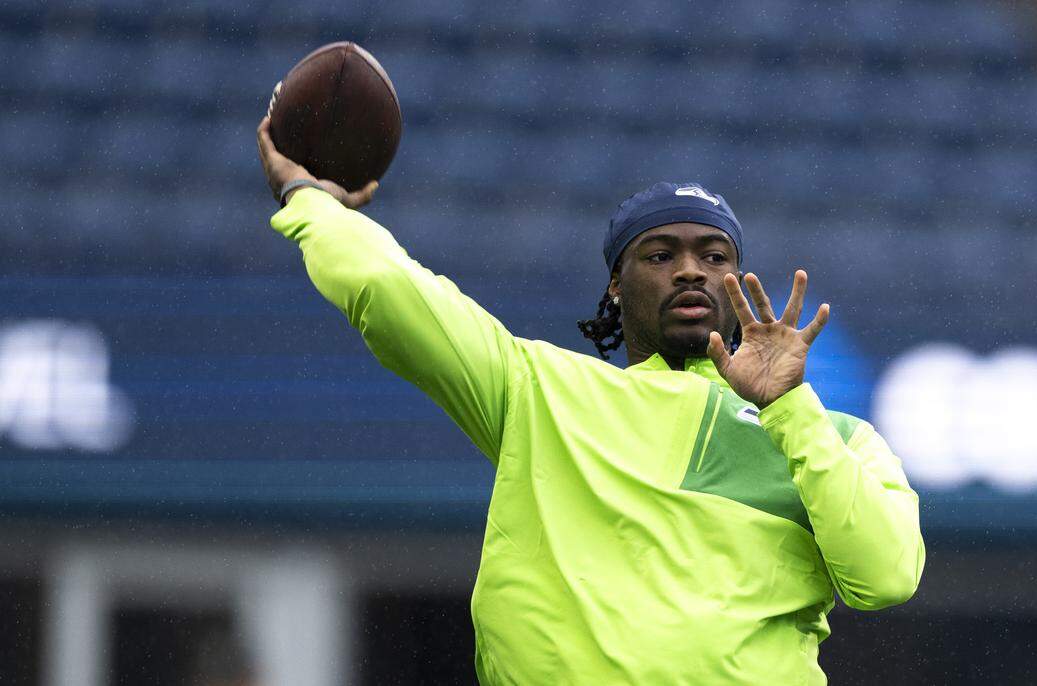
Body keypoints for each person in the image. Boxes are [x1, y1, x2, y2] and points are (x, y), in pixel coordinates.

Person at [256, 117, 925, 685]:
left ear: (738, 281)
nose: (691, 269)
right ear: (614, 287)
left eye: (714, 256)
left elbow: (885, 576)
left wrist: (791, 410)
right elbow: (388, 286)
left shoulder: (834, 435)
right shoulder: (538, 389)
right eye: (660, 254)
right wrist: (308, 198)